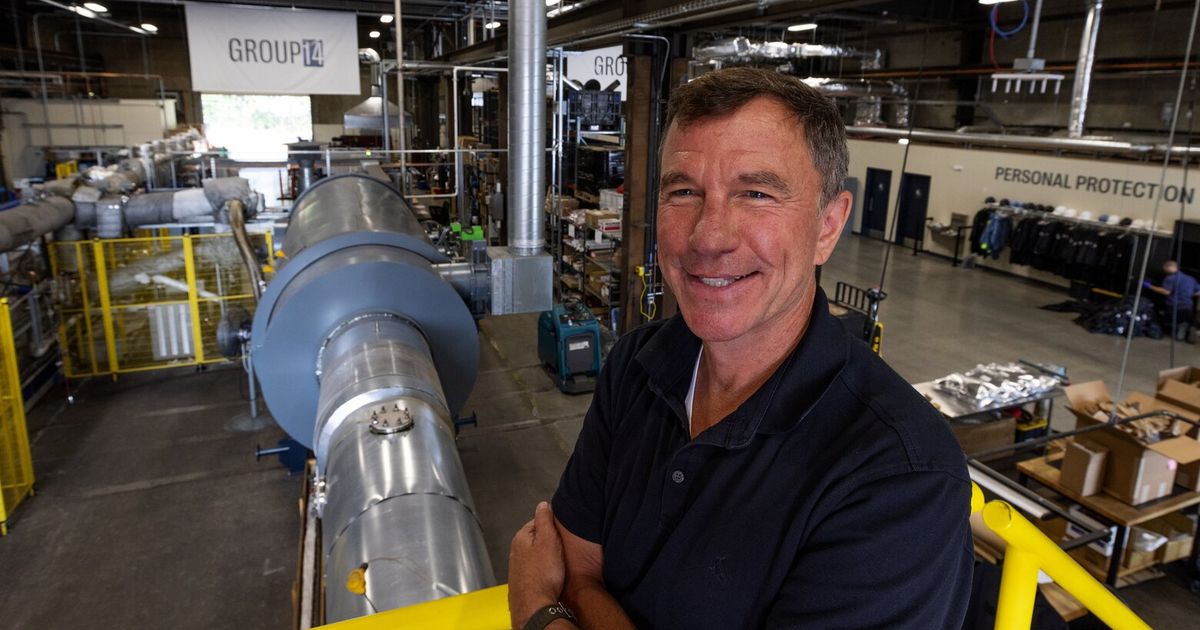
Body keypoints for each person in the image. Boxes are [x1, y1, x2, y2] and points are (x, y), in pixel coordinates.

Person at [508, 67, 973, 630]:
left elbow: (562, 587)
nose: (709, 236)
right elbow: (581, 573)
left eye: (756, 193)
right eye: (684, 191)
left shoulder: (899, 477)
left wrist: (540, 611)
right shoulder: (636, 366)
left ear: (829, 226)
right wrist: (569, 594)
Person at [1145, 260, 1198, 341]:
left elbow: (1166, 292)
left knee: (1165, 319)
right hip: (1188, 306)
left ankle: (1178, 329)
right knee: (1185, 318)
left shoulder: (1170, 278)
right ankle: (1185, 326)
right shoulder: (1191, 279)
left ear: (1168, 267)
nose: (1164, 271)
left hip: (1174, 306)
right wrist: (1188, 294)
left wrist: (1150, 286)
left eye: (1164, 269)